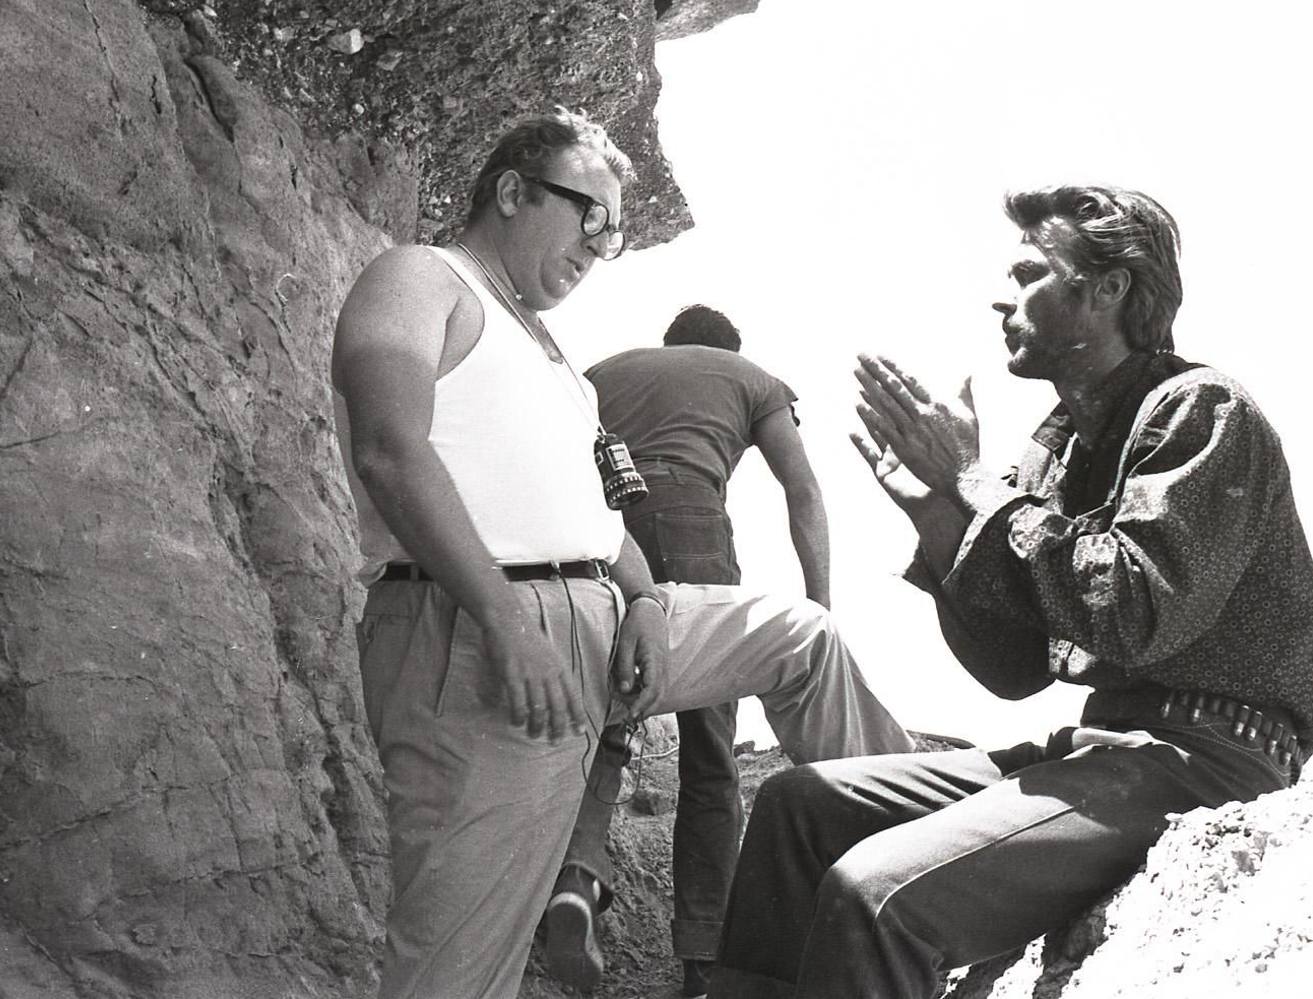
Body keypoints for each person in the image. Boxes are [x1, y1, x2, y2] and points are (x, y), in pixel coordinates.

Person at [329, 107, 911, 999]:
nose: (600, 245)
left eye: (615, 229)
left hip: (610, 619)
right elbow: (388, 448)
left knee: (801, 636)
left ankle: (920, 856)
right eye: (586, 214)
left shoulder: (559, 356)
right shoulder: (418, 279)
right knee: (457, 964)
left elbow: (599, 508)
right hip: (478, 636)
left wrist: (641, 598)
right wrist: (503, 617)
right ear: (513, 191)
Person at [709, 185, 1313, 999]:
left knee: (879, 895)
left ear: (1108, 287)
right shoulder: (1054, 452)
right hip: (1108, 748)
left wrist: (974, 484)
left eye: (1028, 271)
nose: (1001, 297)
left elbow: (1133, 612)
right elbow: (1014, 670)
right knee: (799, 807)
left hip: (1210, 759)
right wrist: (941, 517)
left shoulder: (1200, 409)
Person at [546, 305, 830, 998]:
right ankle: (705, 959)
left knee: (607, 723)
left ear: (669, 344)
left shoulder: (602, 372)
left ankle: (576, 882)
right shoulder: (750, 376)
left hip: (593, 532)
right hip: (688, 522)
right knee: (709, 754)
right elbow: (803, 489)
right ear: (728, 350)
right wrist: (819, 607)